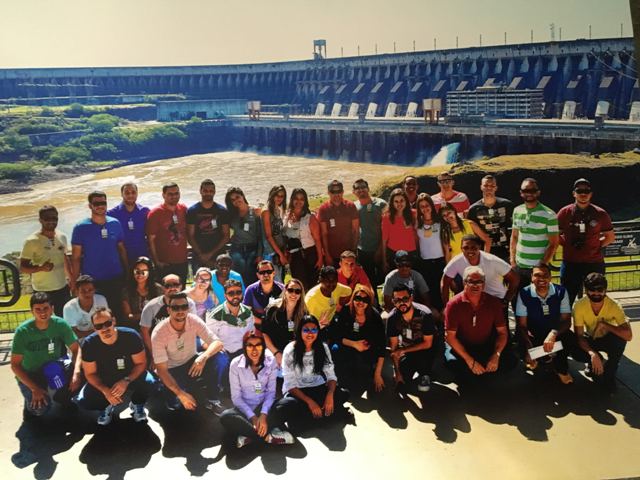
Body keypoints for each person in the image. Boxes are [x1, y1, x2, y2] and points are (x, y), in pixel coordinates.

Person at [75, 308, 156, 426]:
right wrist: (105, 391)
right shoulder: (89, 344)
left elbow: (141, 363)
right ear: (94, 328)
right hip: (105, 378)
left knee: (151, 383)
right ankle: (106, 406)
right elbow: (90, 374)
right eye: (99, 326)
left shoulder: (131, 335)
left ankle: (137, 404)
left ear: (114, 321)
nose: (104, 329)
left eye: (107, 323)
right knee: (84, 400)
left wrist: (126, 380)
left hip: (129, 374)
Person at [152, 292, 226, 413]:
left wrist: (203, 357)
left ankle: (213, 398)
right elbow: (162, 370)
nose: (180, 311)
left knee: (220, 357)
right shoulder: (159, 333)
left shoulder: (193, 320)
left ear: (188, 308)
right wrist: (180, 394)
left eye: (184, 307)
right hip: (172, 369)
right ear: (168, 310)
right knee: (176, 405)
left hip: (192, 362)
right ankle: (170, 390)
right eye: (175, 308)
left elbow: (217, 343)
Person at [274, 315, 350, 431]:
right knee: (285, 406)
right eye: (306, 330)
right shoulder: (290, 350)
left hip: (317, 387)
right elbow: (290, 385)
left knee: (343, 394)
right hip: (298, 391)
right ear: (300, 331)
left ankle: (313, 416)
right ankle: (323, 414)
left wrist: (330, 395)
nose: (310, 333)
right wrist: (310, 402)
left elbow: (331, 375)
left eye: (314, 329)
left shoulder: (323, 347)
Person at [11, 292, 80, 419]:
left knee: (81, 370)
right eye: (38, 309)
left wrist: (76, 374)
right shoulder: (22, 332)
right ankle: (30, 405)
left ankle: (63, 399)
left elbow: (76, 350)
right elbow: (15, 365)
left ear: (52, 309)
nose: (42, 312)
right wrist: (34, 389)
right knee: (40, 410)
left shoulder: (60, 324)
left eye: (46, 308)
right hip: (31, 373)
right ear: (32, 311)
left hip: (54, 369)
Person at [220, 331, 294, 448]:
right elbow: (236, 398)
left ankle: (249, 435)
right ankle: (269, 436)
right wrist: (253, 418)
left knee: (290, 403)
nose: (254, 350)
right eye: (250, 346)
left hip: (265, 408)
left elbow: (271, 393)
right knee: (226, 416)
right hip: (245, 410)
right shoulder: (235, 364)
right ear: (244, 347)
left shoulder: (271, 361)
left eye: (258, 345)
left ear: (263, 347)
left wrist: (263, 416)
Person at [444, 266, 516, 379]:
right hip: (463, 346)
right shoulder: (453, 304)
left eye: (479, 282)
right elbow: (450, 337)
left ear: (484, 284)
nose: (475, 285)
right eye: (471, 281)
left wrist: (496, 355)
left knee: (511, 361)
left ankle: (481, 372)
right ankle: (479, 372)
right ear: (464, 283)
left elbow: (502, 332)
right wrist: (469, 360)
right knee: (452, 363)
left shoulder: (494, 302)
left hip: (486, 344)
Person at [557, 178, 615, 305]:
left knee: (596, 298)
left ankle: (597, 324)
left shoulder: (600, 213)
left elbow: (610, 237)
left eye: (586, 191)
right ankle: (566, 325)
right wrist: (567, 244)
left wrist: (595, 245)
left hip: (594, 263)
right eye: (579, 191)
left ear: (591, 194)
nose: (583, 194)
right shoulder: (564, 213)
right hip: (571, 263)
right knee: (566, 299)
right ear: (574, 193)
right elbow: (555, 235)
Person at [572, 273, 632, 393]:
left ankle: (610, 371)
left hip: (608, 337)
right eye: (592, 290)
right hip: (591, 337)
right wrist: (593, 354)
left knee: (620, 340)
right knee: (575, 350)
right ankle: (594, 362)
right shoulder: (579, 306)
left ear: (605, 290)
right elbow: (579, 335)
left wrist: (606, 325)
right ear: (586, 291)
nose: (596, 293)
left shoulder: (614, 306)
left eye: (600, 290)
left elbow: (628, 335)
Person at [515, 264, 575, 384]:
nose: (541, 278)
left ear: (551, 277)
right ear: (531, 277)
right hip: (535, 334)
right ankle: (540, 358)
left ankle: (560, 367)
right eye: (537, 275)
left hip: (554, 334)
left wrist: (553, 334)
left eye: (545, 275)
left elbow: (566, 321)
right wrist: (528, 347)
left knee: (570, 338)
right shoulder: (524, 293)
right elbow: (522, 325)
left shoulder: (561, 291)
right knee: (521, 345)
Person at [71, 190, 128, 317]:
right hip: (93, 281)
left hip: (115, 277)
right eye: (96, 203)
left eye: (103, 202)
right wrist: (74, 282)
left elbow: (121, 249)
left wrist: (127, 271)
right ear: (90, 205)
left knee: (117, 312)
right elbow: (75, 258)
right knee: (97, 315)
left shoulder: (115, 223)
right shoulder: (80, 228)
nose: (100, 206)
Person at [331, 285, 386, 395]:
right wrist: (354, 344)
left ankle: (367, 371)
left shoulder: (374, 316)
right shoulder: (346, 311)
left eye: (365, 300)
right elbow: (335, 336)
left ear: (369, 302)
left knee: (361, 382)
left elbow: (382, 345)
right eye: (358, 298)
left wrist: (378, 374)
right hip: (349, 347)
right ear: (353, 299)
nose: (361, 302)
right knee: (335, 349)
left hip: (368, 350)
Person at [20, 205, 72, 316]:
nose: (51, 221)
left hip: (62, 287)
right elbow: (23, 267)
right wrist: (41, 268)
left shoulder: (62, 236)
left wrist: (72, 281)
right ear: (40, 220)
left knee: (64, 320)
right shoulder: (31, 241)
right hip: (42, 290)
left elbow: (66, 260)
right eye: (47, 218)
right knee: (44, 320)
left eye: (54, 218)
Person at [441, 235, 519, 308]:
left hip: (496, 299)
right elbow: (444, 283)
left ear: (479, 247)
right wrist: (447, 306)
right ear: (461, 248)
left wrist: (506, 300)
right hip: (473, 302)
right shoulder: (456, 261)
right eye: (466, 248)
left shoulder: (492, 260)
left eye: (473, 247)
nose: (469, 251)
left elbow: (514, 278)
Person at [387, 283, 438, 393]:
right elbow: (394, 347)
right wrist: (397, 372)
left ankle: (425, 374)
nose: (402, 303)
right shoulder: (392, 318)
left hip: (425, 349)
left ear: (411, 298)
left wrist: (403, 350)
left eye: (405, 298)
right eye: (397, 300)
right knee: (403, 382)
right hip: (408, 349)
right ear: (393, 302)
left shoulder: (425, 314)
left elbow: (428, 343)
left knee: (424, 360)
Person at [510, 177, 559, 289]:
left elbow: (554, 243)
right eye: (525, 191)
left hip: (538, 268)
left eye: (532, 190)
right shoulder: (517, 211)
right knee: (517, 301)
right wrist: (513, 261)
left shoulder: (549, 215)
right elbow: (514, 237)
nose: (529, 194)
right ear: (521, 193)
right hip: (519, 266)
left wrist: (542, 264)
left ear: (538, 192)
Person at [139, 274, 196, 367]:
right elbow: (144, 332)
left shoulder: (189, 304)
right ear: (162, 288)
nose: (172, 288)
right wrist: (155, 355)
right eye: (168, 285)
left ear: (181, 286)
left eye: (176, 284)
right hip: (159, 347)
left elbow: (192, 327)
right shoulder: (151, 306)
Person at [147, 182, 189, 283]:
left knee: (181, 293)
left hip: (182, 260)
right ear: (163, 195)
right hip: (165, 263)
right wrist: (157, 262)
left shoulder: (183, 209)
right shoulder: (155, 213)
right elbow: (150, 239)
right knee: (165, 294)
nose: (174, 196)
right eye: (170, 194)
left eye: (176, 193)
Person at [282, 187, 323, 292]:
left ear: (305, 201)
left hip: (310, 253)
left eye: (302, 199)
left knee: (313, 283)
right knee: (300, 284)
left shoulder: (310, 218)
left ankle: (311, 307)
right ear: (292, 200)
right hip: (295, 255)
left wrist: (320, 258)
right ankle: (302, 307)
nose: (298, 201)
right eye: (296, 198)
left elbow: (317, 240)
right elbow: (285, 236)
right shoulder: (286, 216)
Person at [186, 179, 230, 272]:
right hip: (198, 254)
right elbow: (190, 236)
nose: (208, 193)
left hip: (218, 254)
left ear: (214, 192)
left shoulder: (222, 211)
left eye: (211, 191)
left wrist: (210, 254)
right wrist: (201, 254)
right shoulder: (192, 211)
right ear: (200, 191)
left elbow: (226, 235)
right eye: (205, 191)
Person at [467, 175, 514, 262]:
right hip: (485, 251)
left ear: (496, 188)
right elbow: (473, 233)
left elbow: (513, 228)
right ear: (481, 187)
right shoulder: (474, 209)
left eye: (492, 186)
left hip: (505, 250)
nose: (489, 188)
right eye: (486, 185)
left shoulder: (507, 205)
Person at [262, 278, 308, 366]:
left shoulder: (303, 313)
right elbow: (264, 334)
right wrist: (276, 353)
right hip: (273, 351)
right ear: (285, 291)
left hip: (292, 352)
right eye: (290, 290)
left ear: (300, 294)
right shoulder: (273, 309)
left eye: (297, 291)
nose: (293, 294)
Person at [414, 193, 447, 312]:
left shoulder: (440, 221)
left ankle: (443, 316)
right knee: (428, 291)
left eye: (427, 205)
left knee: (440, 290)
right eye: (421, 206)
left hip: (440, 261)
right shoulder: (418, 223)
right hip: (425, 263)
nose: (425, 208)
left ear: (431, 206)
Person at [206, 280, 255, 359]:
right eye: (231, 293)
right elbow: (209, 341)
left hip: (244, 352)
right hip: (224, 354)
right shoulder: (215, 316)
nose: (235, 296)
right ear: (225, 295)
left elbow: (251, 334)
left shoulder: (248, 312)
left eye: (238, 292)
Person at [352, 178, 387, 289]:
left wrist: (380, 249)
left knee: (385, 276)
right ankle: (373, 302)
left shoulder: (381, 204)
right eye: (357, 188)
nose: (361, 190)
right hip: (363, 250)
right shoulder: (354, 206)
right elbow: (355, 230)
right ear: (354, 192)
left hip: (380, 247)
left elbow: (387, 230)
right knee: (368, 280)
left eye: (363, 187)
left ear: (368, 189)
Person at [225, 186, 263, 286]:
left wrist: (259, 254)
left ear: (243, 196)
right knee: (238, 276)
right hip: (237, 248)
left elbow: (260, 235)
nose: (236, 201)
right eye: (233, 200)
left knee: (252, 275)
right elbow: (225, 229)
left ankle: (251, 298)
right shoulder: (232, 214)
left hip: (252, 248)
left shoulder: (255, 212)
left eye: (237, 197)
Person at [317, 180, 359, 267]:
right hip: (332, 254)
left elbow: (355, 230)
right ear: (328, 193)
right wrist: (327, 255)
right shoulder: (323, 209)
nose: (336, 194)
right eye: (333, 192)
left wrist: (354, 251)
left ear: (343, 192)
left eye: (339, 191)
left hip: (348, 253)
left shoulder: (350, 206)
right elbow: (324, 234)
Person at [107, 182, 150, 263]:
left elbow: (150, 234)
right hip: (121, 259)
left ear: (137, 194)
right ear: (122, 194)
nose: (130, 195)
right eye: (127, 193)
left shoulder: (145, 211)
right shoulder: (111, 214)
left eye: (133, 192)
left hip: (143, 257)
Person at [305, 266, 352, 331]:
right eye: (328, 280)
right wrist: (321, 325)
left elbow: (349, 291)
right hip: (316, 328)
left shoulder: (338, 287)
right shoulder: (311, 298)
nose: (331, 284)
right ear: (321, 280)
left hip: (333, 321)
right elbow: (308, 324)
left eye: (334, 280)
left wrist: (341, 303)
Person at [381, 188, 417, 273]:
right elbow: (384, 240)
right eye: (396, 201)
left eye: (402, 201)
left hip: (411, 253)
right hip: (393, 253)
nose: (399, 204)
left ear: (406, 201)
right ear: (392, 203)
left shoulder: (414, 214)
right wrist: (384, 260)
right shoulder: (387, 217)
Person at [121, 256, 162, 330]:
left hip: (156, 325)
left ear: (150, 272)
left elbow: (162, 311)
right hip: (136, 326)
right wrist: (148, 314)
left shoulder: (158, 289)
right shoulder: (127, 291)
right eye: (137, 271)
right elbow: (128, 317)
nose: (140, 274)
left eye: (144, 272)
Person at [63, 274, 109, 339]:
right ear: (76, 292)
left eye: (90, 290)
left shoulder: (101, 300)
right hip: (80, 339)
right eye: (83, 291)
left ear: (94, 290)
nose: (87, 293)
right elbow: (71, 333)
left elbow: (107, 323)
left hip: (101, 335)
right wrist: (94, 332)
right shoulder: (68, 308)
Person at [242, 260, 284, 328]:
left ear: (273, 273)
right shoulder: (250, 290)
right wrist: (263, 323)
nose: (266, 275)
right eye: (262, 272)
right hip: (258, 328)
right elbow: (245, 313)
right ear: (258, 275)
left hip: (278, 326)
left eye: (269, 272)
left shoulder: (283, 289)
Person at [261, 184, 288, 281]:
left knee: (281, 279)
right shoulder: (267, 211)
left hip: (278, 250)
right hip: (271, 253)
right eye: (277, 195)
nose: (279, 198)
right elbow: (269, 236)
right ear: (272, 195)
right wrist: (281, 255)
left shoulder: (277, 209)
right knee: (276, 281)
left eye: (282, 196)